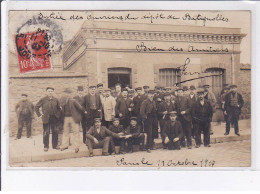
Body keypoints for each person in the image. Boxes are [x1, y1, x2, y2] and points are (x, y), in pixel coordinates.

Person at [60, 88, 87, 153]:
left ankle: (76, 146)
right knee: (66, 132)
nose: (66, 95)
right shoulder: (63, 101)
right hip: (66, 118)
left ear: (70, 94)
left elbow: (80, 108)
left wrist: (78, 115)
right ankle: (65, 145)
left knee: (76, 132)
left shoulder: (73, 101)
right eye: (65, 93)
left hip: (73, 118)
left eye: (68, 93)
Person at [35, 87, 61, 151]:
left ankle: (55, 145)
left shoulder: (56, 100)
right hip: (46, 118)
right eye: (49, 91)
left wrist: (58, 115)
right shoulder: (43, 99)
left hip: (54, 118)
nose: (50, 92)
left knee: (55, 132)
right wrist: (40, 115)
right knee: (46, 132)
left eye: (51, 91)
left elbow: (59, 108)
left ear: (53, 92)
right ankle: (46, 146)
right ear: (46, 92)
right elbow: (36, 107)